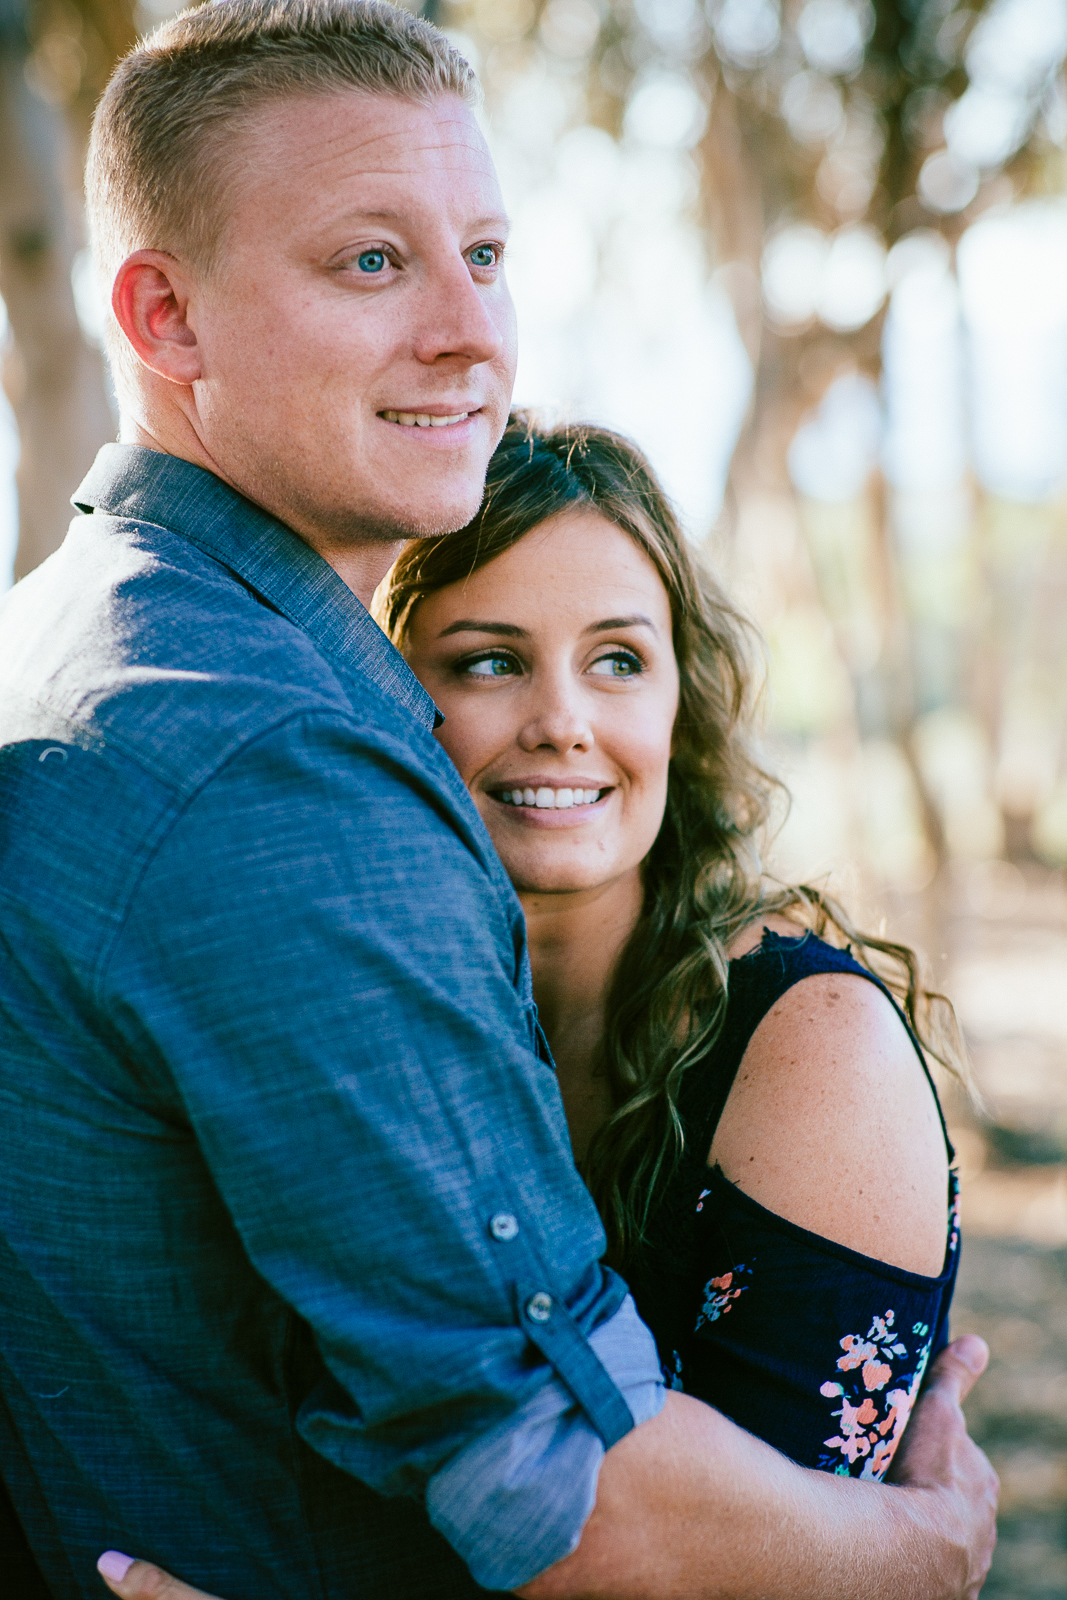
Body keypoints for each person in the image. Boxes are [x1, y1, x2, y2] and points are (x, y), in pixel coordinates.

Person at [0, 5, 995, 1600]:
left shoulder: (77, 627)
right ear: (163, 317)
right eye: (373, 262)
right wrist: (919, 1550)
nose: (473, 332)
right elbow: (564, 1494)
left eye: (484, 251)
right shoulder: (268, 760)